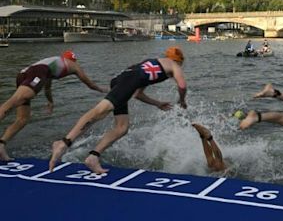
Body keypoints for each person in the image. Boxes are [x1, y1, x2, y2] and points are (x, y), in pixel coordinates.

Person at [49, 46, 188, 174]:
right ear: (179, 61)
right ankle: (63, 142)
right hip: (129, 81)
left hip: (120, 79)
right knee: (99, 112)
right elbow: (182, 85)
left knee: (122, 127)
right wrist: (182, 101)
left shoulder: (152, 62)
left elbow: (137, 93)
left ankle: (93, 157)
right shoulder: (174, 65)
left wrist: (157, 103)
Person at [0, 51, 107, 161]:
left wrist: (50, 102)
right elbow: (89, 84)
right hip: (36, 73)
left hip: (24, 74)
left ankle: (1, 145)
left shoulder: (52, 65)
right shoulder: (73, 65)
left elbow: (47, 87)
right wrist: (102, 89)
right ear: (72, 60)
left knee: (23, 118)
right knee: (15, 101)